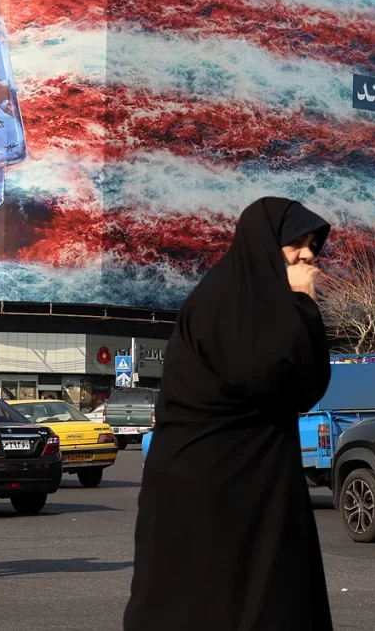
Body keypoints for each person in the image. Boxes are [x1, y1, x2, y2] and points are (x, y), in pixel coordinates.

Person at [124, 197, 334, 631]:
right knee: (210, 603)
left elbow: (307, 389)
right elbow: (275, 378)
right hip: (211, 490)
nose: (309, 255)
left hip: (252, 483)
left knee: (260, 598)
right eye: (297, 242)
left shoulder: (262, 306)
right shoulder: (227, 301)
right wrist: (303, 307)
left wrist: (303, 310)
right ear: (264, 243)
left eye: (313, 244)